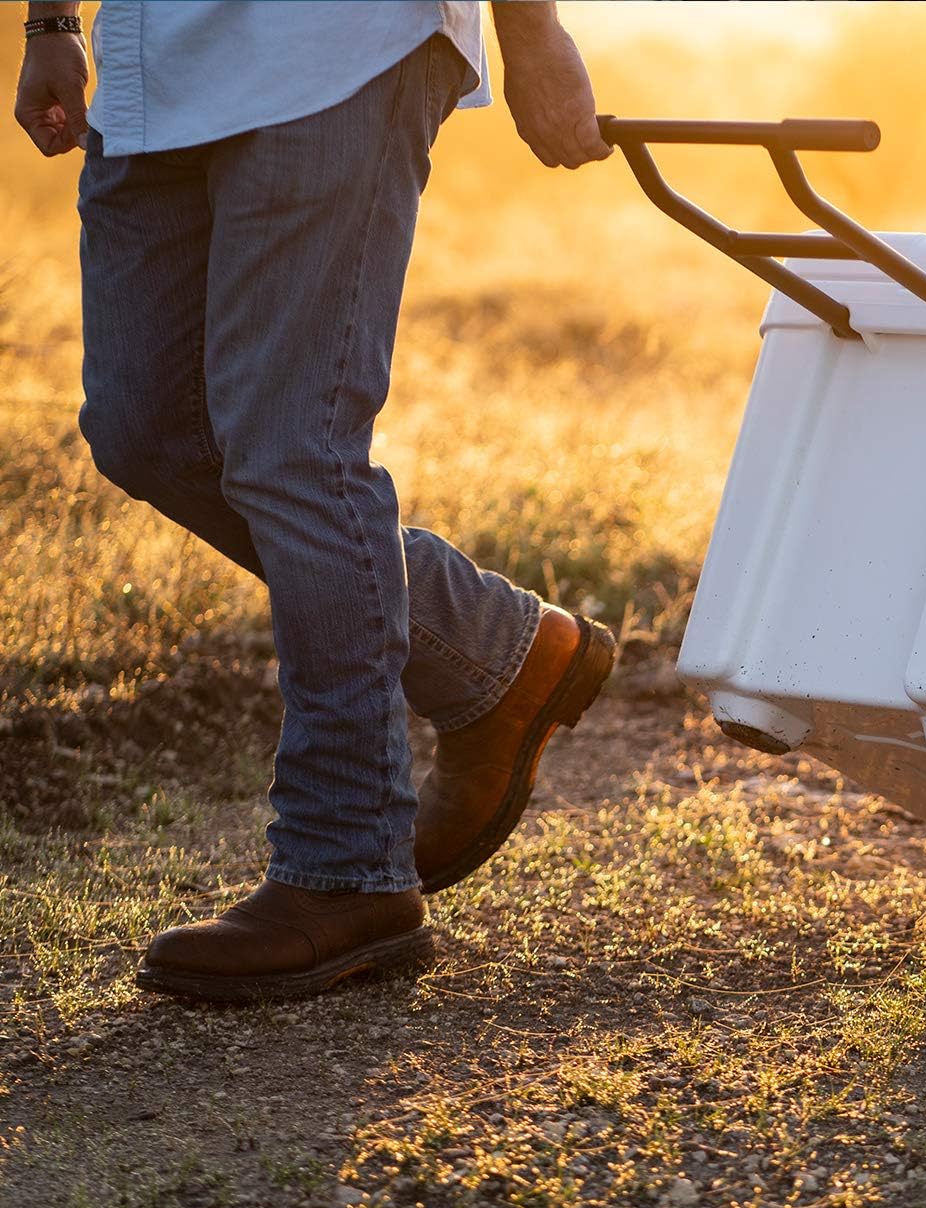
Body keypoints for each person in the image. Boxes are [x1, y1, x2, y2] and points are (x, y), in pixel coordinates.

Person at [13, 1, 617, 1000]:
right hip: (155, 60)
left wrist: (531, 32)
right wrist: (49, 23)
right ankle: (495, 653)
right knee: (147, 430)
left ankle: (347, 867)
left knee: (296, 448)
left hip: (334, 45)